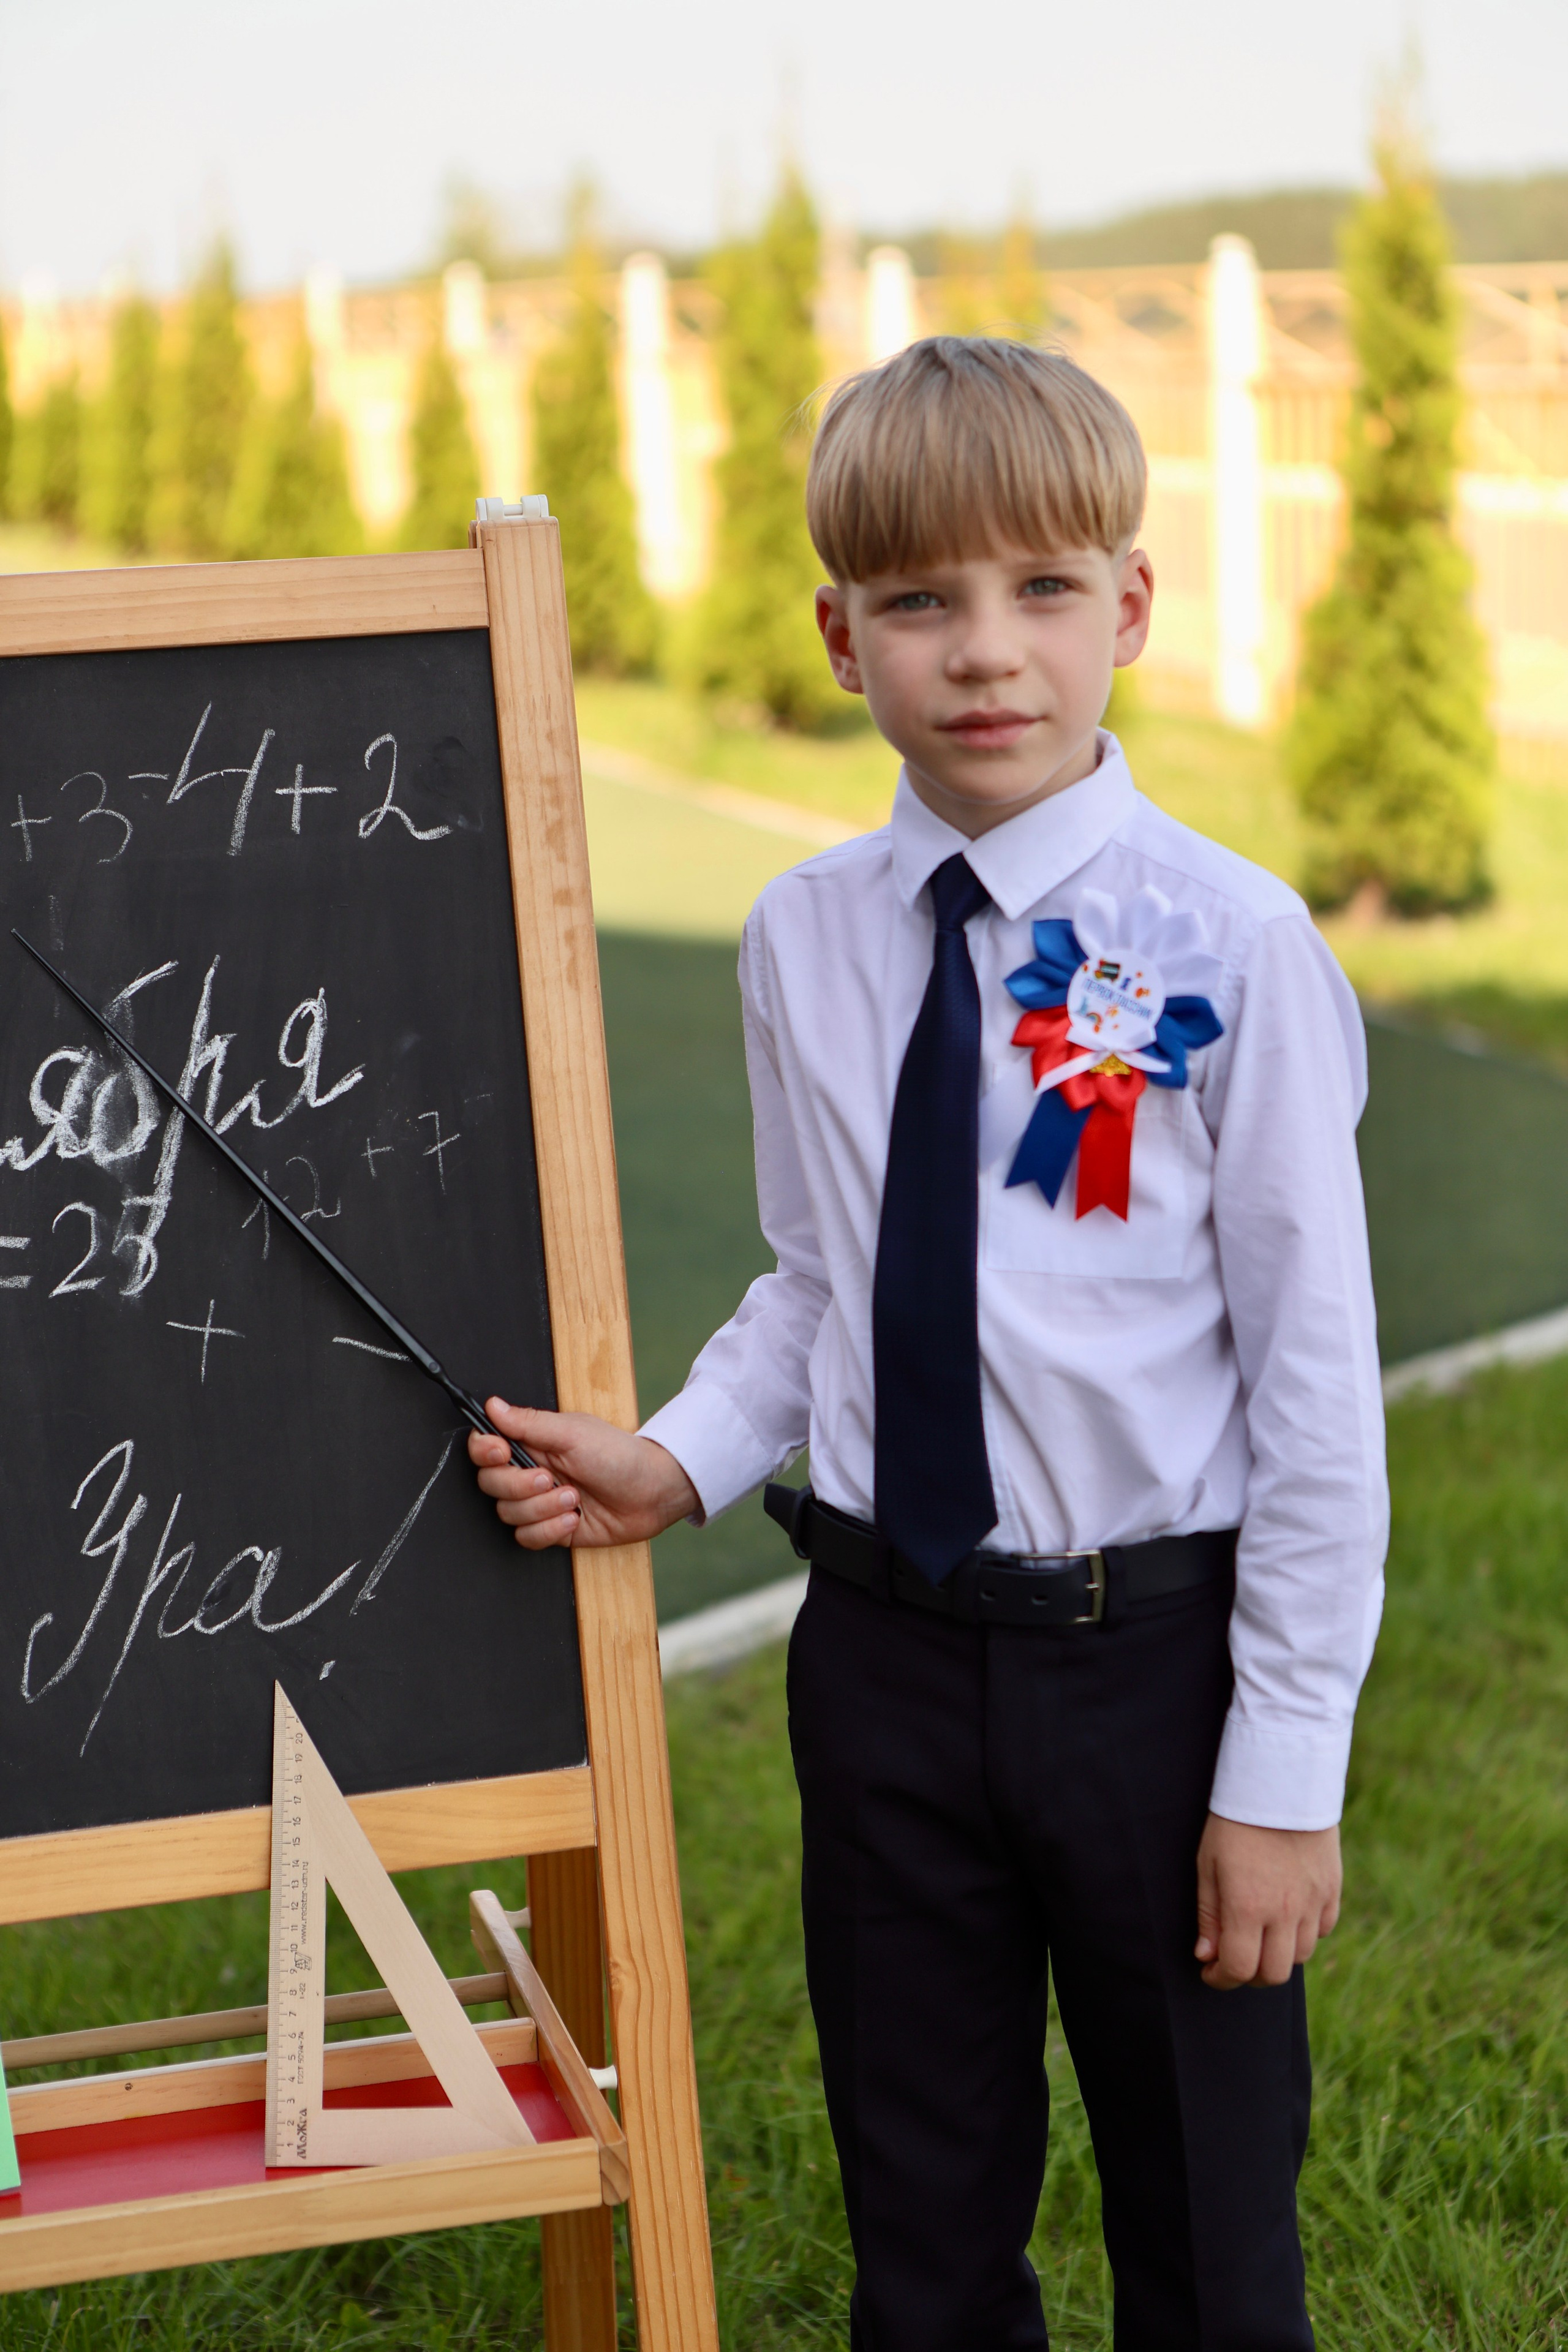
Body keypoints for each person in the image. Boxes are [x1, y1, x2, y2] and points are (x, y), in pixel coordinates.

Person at [469, 337, 1387, 2350]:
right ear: (839, 633)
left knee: (1213, 2244)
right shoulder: (805, 935)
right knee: (926, 2223)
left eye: (1045, 589)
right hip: (881, 1669)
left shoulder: (1235, 949)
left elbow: (1317, 1390)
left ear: (1131, 608)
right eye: (921, 601)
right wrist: (689, 1455)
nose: (987, 651)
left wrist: (1284, 1772)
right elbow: (822, 1279)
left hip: (1153, 1679)